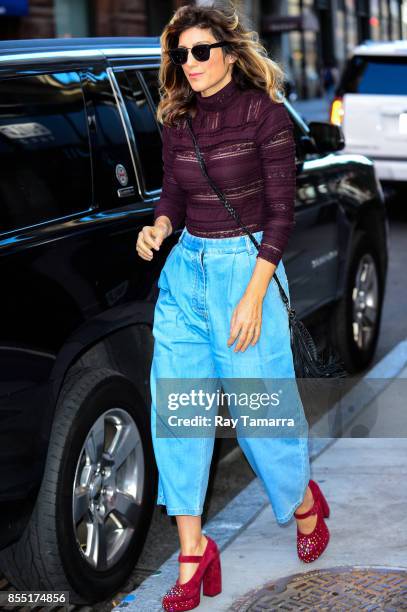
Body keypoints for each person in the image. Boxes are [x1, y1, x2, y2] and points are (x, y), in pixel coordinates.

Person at [136, 3, 330, 610]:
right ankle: (194, 553)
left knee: (260, 414)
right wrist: (160, 226)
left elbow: (280, 212)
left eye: (200, 51)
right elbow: (173, 189)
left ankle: (303, 500)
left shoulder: (263, 114)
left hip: (245, 272)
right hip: (186, 274)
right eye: (181, 53)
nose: (189, 64)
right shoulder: (178, 117)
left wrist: (253, 295)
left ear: (227, 52)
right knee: (180, 410)